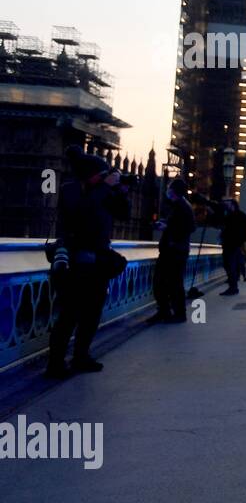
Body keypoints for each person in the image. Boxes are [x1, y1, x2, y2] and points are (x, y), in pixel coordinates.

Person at [45, 148, 131, 377]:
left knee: (92, 313)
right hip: (75, 262)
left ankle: (81, 356)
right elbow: (81, 212)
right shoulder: (70, 191)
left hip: (97, 261)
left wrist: (121, 191)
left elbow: (124, 213)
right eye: (102, 174)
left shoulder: (103, 192)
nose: (105, 177)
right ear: (90, 175)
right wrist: (105, 187)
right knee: (69, 315)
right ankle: (55, 364)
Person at [149, 178, 194, 324]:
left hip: (174, 251)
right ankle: (166, 311)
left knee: (168, 283)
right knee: (166, 283)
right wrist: (166, 224)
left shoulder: (181, 206)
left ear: (173, 191)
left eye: (169, 188)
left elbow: (188, 227)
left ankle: (175, 313)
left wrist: (166, 228)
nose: (167, 190)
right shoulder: (179, 205)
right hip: (174, 250)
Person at [217, 199, 246, 296]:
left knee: (230, 265)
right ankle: (233, 285)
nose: (226, 205)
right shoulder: (233, 215)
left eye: (227, 204)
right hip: (232, 243)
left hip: (232, 244)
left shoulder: (235, 216)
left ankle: (233, 287)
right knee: (230, 264)